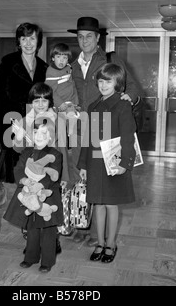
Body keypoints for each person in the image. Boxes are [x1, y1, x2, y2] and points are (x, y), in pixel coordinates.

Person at [67, 16, 141, 246]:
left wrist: (131, 98)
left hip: (108, 130)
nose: (84, 40)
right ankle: (82, 226)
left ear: (98, 38)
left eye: (89, 36)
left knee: (105, 184)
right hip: (80, 129)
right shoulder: (71, 64)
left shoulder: (110, 59)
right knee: (79, 179)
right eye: (80, 36)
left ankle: (97, 235)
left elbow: (132, 86)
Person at [0, 22, 48, 247]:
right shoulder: (8, 62)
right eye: (24, 38)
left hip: (32, 132)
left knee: (29, 179)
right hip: (6, 128)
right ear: (18, 41)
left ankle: (27, 224)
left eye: (33, 38)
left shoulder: (44, 67)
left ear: (38, 42)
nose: (29, 43)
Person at [78, 63, 136, 263]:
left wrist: (125, 163)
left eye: (108, 81)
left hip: (114, 162)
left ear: (117, 83)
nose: (103, 85)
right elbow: (88, 138)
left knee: (111, 204)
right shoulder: (93, 106)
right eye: (100, 81)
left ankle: (111, 243)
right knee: (98, 204)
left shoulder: (122, 105)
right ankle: (100, 243)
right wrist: (83, 165)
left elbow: (128, 137)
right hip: (94, 163)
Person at [12, 82, 69, 254]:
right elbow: (18, 149)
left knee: (50, 207)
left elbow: (63, 150)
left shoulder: (58, 120)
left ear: (50, 101)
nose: (41, 104)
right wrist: (19, 137)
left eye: (45, 100)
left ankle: (53, 241)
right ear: (31, 102)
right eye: (37, 100)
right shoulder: (24, 120)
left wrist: (64, 176)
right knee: (29, 206)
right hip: (30, 173)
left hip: (51, 173)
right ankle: (32, 242)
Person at [4, 117, 63, 273]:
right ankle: (31, 257)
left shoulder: (56, 154)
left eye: (44, 133)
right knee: (31, 228)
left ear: (51, 136)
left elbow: (53, 175)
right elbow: (18, 168)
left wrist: (39, 185)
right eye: (36, 133)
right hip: (29, 194)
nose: (39, 136)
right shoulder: (27, 152)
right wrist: (23, 179)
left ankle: (48, 261)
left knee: (49, 229)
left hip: (47, 196)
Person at [45, 43, 80, 134]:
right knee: (58, 126)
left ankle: (70, 134)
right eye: (58, 57)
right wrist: (60, 104)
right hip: (58, 104)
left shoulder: (68, 68)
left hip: (69, 101)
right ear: (53, 58)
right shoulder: (51, 72)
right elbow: (50, 92)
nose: (61, 61)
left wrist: (75, 101)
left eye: (65, 58)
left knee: (72, 120)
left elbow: (72, 85)